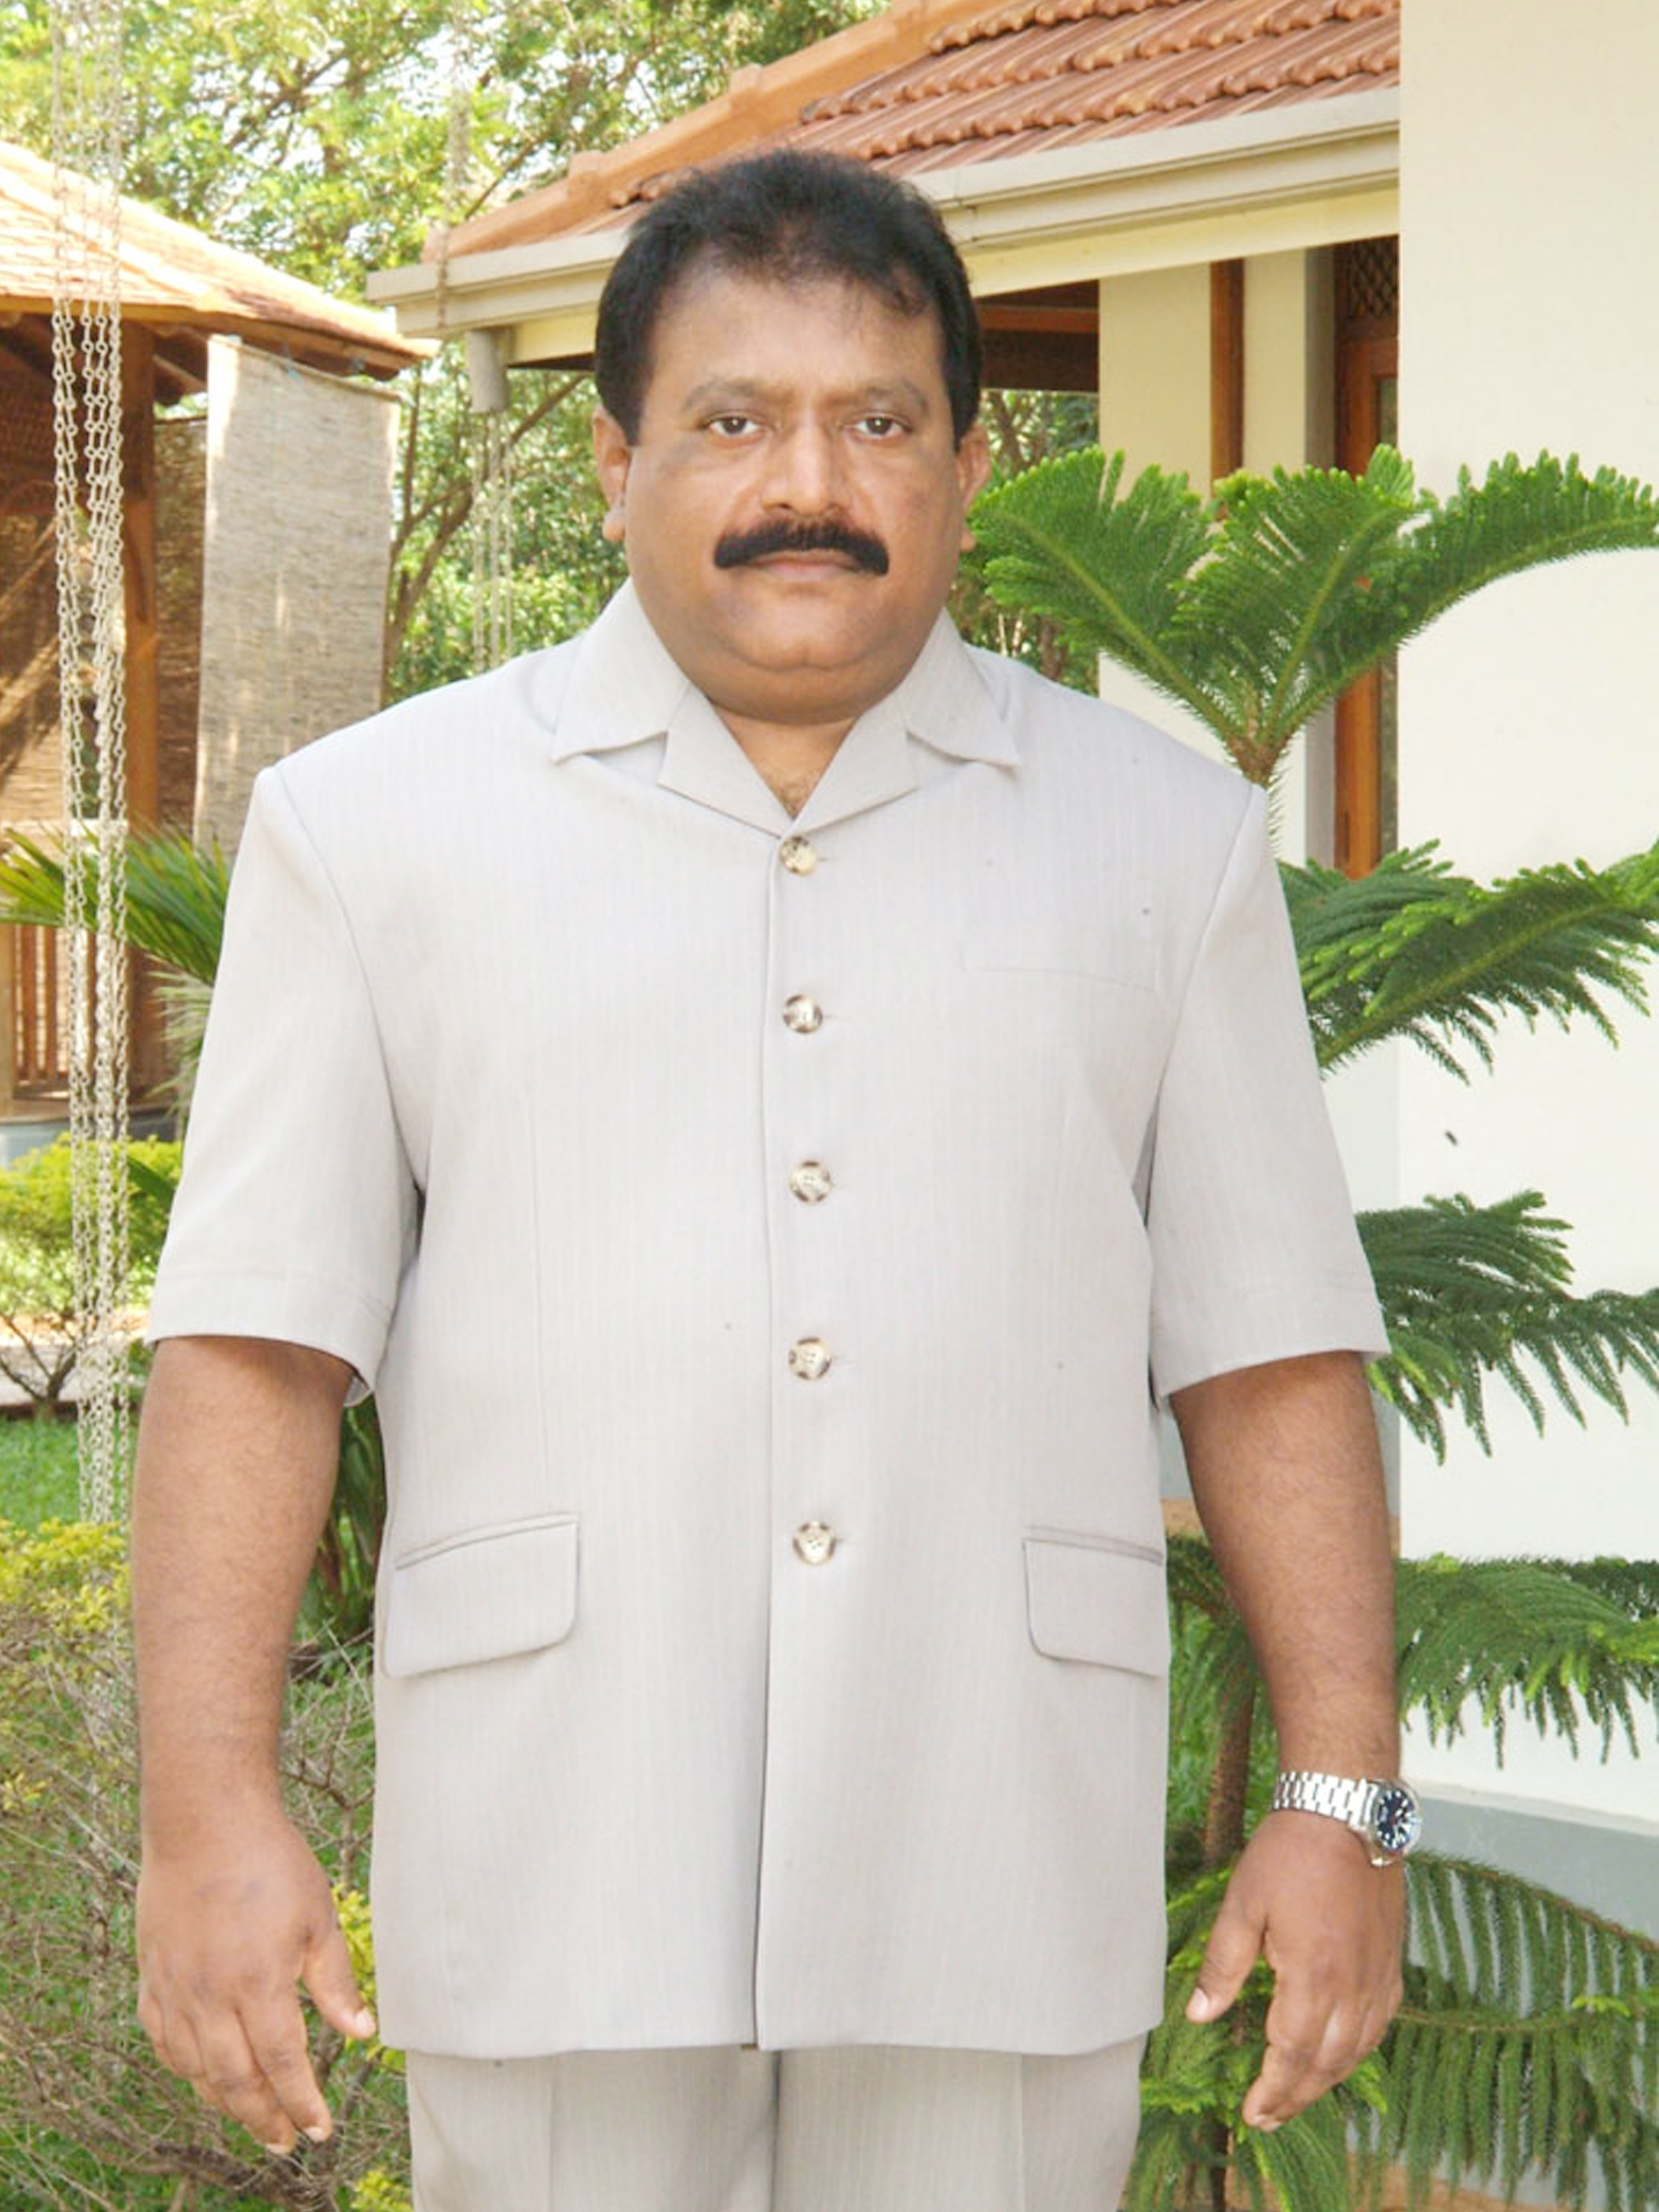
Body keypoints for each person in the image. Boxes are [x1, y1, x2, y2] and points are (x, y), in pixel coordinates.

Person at [133, 150, 1411, 2212]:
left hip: (997, 1845)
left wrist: (1350, 1802)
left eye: (878, 422)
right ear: (621, 460)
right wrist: (205, 1811)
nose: (807, 483)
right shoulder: (371, 831)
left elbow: (1271, 1350)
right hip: (556, 1850)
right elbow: (255, 1349)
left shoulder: (1165, 846)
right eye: (733, 420)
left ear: (968, 467)